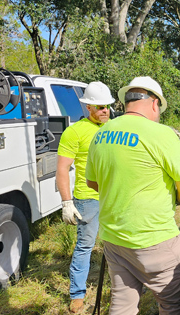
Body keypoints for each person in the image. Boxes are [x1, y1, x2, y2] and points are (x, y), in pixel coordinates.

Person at [85, 76, 180, 315]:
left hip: (114, 239)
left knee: (122, 305)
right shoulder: (161, 134)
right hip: (154, 239)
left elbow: (92, 182)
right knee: (172, 304)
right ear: (154, 103)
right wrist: (174, 196)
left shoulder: (101, 135)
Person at [55, 81, 115, 313]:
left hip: (114, 196)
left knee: (119, 244)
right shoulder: (74, 132)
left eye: (107, 106)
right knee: (85, 247)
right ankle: (77, 294)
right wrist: (66, 202)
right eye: (99, 107)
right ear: (87, 107)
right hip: (88, 199)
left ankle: (119, 286)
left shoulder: (115, 127)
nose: (104, 111)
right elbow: (62, 169)